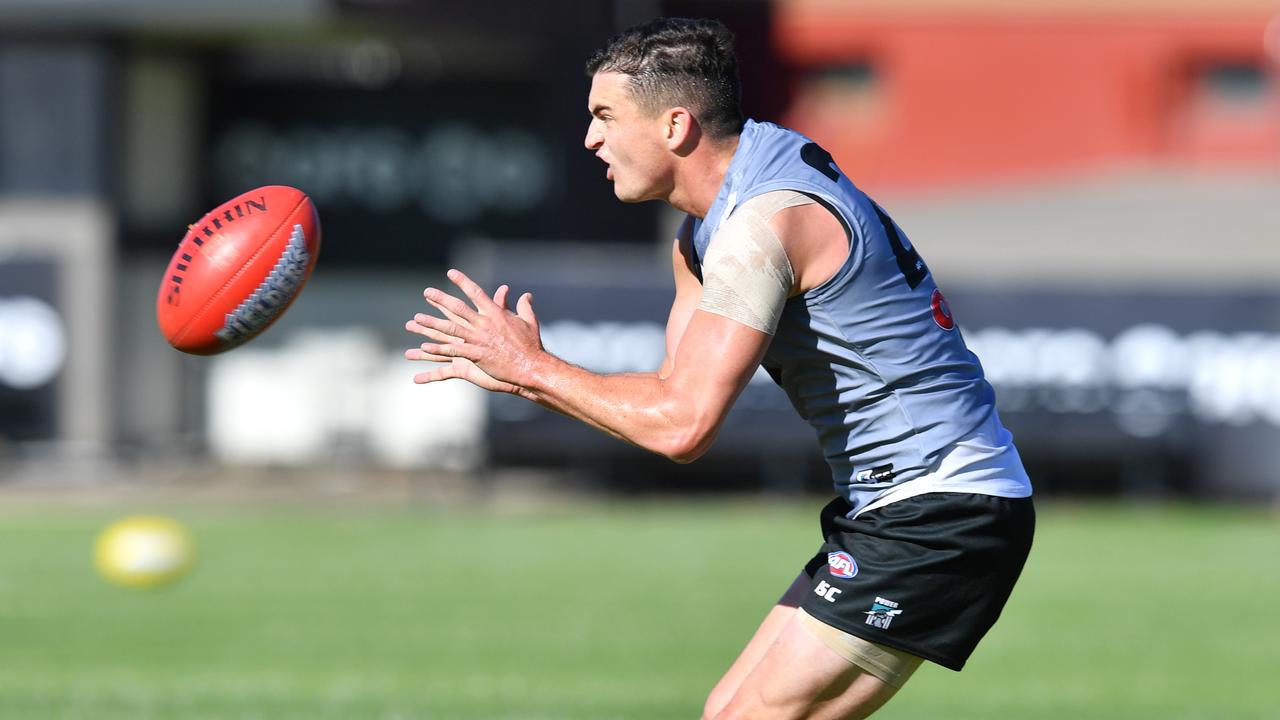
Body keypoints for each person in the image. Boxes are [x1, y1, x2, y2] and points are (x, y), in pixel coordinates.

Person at [404, 17, 1034, 720]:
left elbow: (683, 427)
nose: (591, 139)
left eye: (606, 117)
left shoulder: (764, 221)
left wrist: (533, 369)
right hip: (900, 506)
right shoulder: (706, 229)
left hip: (943, 507)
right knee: (728, 711)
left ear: (675, 126)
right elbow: (667, 402)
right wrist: (530, 372)